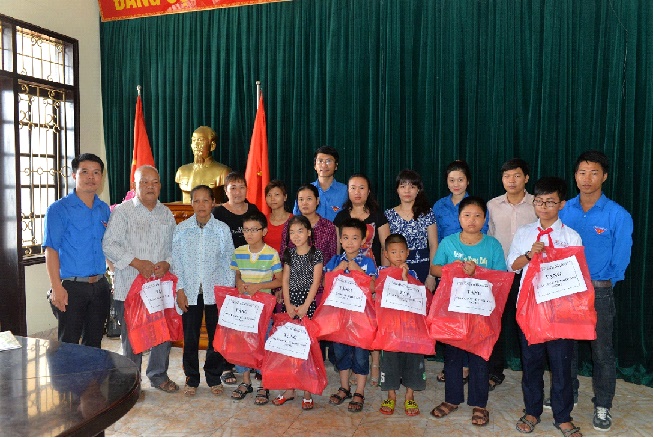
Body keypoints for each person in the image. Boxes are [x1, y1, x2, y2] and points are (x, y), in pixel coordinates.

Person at [559, 150, 633, 432]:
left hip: (598, 292)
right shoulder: (564, 210)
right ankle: (569, 394)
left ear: (604, 176)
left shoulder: (617, 214)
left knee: (601, 351)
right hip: (565, 291)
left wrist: (602, 283)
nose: (587, 178)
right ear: (575, 176)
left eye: (593, 173)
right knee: (566, 348)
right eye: (582, 172)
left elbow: (621, 257)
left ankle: (603, 404)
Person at [507, 177, 583, 437]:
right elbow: (512, 266)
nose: (544, 207)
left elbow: (577, 275)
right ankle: (532, 411)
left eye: (550, 202)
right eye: (539, 201)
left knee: (561, 366)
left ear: (562, 204)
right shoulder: (524, 233)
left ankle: (563, 416)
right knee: (531, 363)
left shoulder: (571, 236)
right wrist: (530, 254)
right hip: (530, 309)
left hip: (560, 312)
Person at [429, 196, 506, 427]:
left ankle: (480, 404)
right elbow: (435, 269)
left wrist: (477, 272)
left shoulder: (492, 245)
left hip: (481, 312)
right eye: (467, 215)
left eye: (477, 216)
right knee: (453, 357)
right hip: (453, 311)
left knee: (479, 358)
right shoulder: (449, 243)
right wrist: (455, 269)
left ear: (484, 219)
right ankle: (451, 399)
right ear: (459, 218)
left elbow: (500, 277)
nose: (472, 220)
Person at [102, 165, 179, 395]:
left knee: (162, 333)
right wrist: (137, 263)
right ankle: (131, 382)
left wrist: (167, 262)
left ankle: (158, 375)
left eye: (154, 182)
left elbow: (175, 248)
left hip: (159, 287)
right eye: (144, 182)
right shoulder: (123, 212)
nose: (150, 187)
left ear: (160, 186)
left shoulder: (166, 214)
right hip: (130, 287)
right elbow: (109, 244)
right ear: (134, 186)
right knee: (133, 337)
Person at [172, 184, 235, 397]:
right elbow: (177, 262)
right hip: (190, 291)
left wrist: (226, 293)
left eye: (205, 200)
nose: (201, 205)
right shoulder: (182, 230)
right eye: (196, 200)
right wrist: (180, 290)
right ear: (191, 203)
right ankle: (191, 378)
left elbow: (228, 262)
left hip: (215, 291)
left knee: (215, 336)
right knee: (190, 337)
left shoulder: (222, 230)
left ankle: (213, 376)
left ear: (213, 203)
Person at [43, 153, 111, 348]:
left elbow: (107, 246)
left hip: (100, 286)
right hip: (72, 288)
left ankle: (92, 371)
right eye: (85, 172)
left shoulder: (103, 209)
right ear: (74, 175)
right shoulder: (59, 209)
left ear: (101, 177)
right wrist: (56, 287)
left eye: (96, 172)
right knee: (69, 344)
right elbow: (51, 250)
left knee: (94, 343)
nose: (91, 177)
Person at [334, 173, 390, 386]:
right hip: (347, 276)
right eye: (353, 188)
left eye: (361, 188)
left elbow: (385, 247)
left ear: (368, 191)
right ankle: (350, 367)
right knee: (349, 319)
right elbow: (338, 249)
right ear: (347, 191)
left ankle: (374, 363)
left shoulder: (377, 215)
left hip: (370, 272)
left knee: (370, 319)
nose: (357, 192)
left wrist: (383, 276)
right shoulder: (341, 216)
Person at [486, 158, 537, 391]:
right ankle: (495, 371)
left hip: (528, 274)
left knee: (527, 325)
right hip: (499, 273)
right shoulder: (492, 205)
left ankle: (532, 374)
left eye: (517, 175)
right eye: (507, 176)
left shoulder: (537, 204)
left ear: (526, 178)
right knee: (495, 323)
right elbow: (489, 237)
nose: (512, 180)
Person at [229, 211, 283, 405]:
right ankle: (245, 382)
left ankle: (264, 384)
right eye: (246, 230)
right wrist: (239, 282)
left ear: (264, 231)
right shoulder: (238, 252)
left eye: (254, 230)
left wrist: (258, 286)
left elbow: (279, 280)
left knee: (262, 344)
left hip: (263, 309)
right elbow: (237, 274)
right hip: (243, 308)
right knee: (243, 344)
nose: (249, 234)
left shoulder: (271, 254)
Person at [325, 218, 377, 413]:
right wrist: (339, 269)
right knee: (340, 353)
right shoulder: (335, 260)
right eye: (345, 237)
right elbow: (325, 283)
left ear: (363, 240)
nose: (349, 242)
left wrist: (357, 271)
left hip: (360, 318)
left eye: (355, 238)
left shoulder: (367, 262)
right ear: (340, 239)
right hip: (339, 318)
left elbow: (373, 286)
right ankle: (344, 387)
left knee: (361, 355)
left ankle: (359, 391)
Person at [282, 184, 338, 364]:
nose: (304, 203)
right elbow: (285, 264)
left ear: (317, 201)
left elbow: (332, 257)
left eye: (309, 199)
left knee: (314, 335)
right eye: (300, 199)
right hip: (292, 292)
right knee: (292, 338)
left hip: (318, 289)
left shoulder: (328, 227)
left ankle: (314, 369)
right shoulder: (289, 226)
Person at [273, 215, 324, 410]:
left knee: (306, 349)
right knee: (290, 347)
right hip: (290, 304)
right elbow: (285, 280)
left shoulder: (316, 254)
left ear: (309, 232)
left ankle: (307, 391)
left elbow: (316, 282)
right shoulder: (289, 254)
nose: (296, 235)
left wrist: (305, 306)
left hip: (307, 305)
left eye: (300, 231)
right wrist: (287, 304)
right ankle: (289, 389)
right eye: (292, 232)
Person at [378, 234, 427, 417]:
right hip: (390, 329)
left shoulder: (413, 274)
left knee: (413, 360)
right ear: (386, 254)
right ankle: (391, 395)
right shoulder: (381, 273)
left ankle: (409, 395)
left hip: (410, 329)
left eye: (401, 252)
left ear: (407, 252)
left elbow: (416, 296)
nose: (398, 256)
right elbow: (377, 292)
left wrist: (405, 277)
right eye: (393, 252)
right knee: (389, 362)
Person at [384, 169, 438, 292]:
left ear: (418, 190)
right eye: (403, 186)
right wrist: (387, 273)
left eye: (412, 187)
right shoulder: (388, 215)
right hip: (397, 267)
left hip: (423, 266)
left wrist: (431, 275)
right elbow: (385, 248)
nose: (407, 191)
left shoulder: (427, 213)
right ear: (397, 190)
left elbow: (434, 245)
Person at [432, 160, 488, 243]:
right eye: (452, 180)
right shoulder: (439, 205)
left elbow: (483, 233)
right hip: (445, 249)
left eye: (460, 180)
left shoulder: (477, 206)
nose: (456, 184)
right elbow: (435, 236)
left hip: (472, 249)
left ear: (468, 181)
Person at [175, 126, 231, 203]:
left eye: (200, 140)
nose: (196, 145)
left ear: (212, 146)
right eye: (194, 140)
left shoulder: (223, 172)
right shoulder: (182, 171)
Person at [292, 146, 348, 221]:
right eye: (320, 161)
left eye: (328, 161)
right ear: (315, 165)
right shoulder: (305, 191)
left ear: (336, 166)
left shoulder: (345, 191)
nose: (324, 165)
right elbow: (296, 219)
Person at [212, 171, 261, 249]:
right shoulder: (218, 213)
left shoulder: (253, 210)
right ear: (226, 190)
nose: (238, 192)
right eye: (233, 188)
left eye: (242, 187)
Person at [263, 180, 292, 258]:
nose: (272, 198)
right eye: (269, 195)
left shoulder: (294, 221)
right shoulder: (262, 220)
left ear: (285, 197)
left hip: (288, 263)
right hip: (266, 263)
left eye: (276, 195)